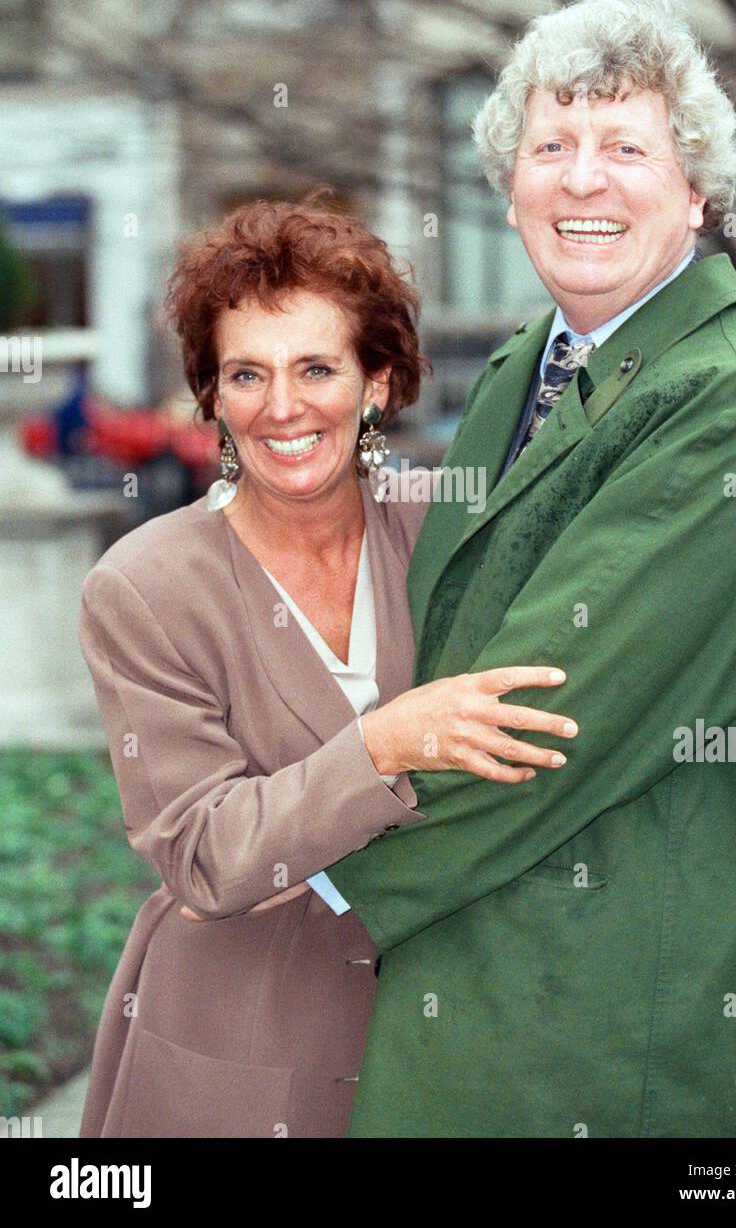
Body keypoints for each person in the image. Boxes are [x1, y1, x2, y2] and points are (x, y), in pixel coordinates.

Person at [280, 0, 736, 1137]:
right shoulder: (518, 370)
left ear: (697, 192)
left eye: (627, 146)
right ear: (509, 184)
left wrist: (304, 888)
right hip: (475, 986)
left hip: (620, 1028)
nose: (583, 179)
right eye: (553, 144)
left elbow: (543, 717)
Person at [76, 198, 573, 1138]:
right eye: (247, 375)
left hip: (449, 1022)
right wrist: (388, 745)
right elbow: (207, 858)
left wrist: (294, 836)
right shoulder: (141, 587)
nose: (283, 406)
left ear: (378, 381)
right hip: (240, 1039)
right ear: (213, 397)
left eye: (316, 367)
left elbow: (532, 750)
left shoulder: (449, 531)